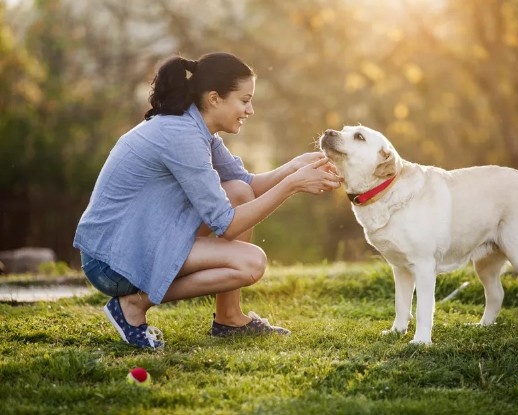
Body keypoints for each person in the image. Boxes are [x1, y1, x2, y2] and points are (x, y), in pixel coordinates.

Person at [73, 52, 342, 349]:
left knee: (239, 191)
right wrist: (292, 185)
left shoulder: (197, 129)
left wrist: (293, 167)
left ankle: (229, 318)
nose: (250, 109)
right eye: (244, 100)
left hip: (141, 242)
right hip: (112, 262)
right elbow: (226, 224)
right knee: (250, 264)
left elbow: (248, 186)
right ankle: (133, 305)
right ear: (215, 98)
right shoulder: (181, 136)